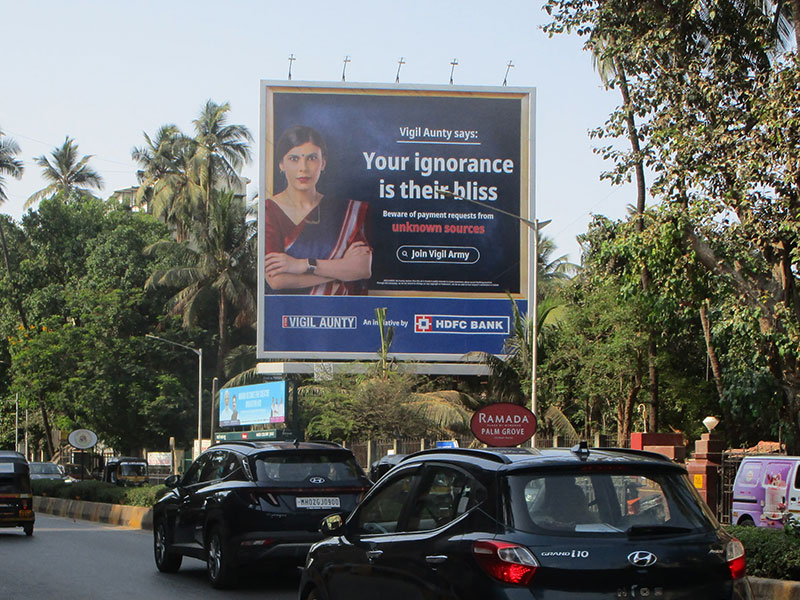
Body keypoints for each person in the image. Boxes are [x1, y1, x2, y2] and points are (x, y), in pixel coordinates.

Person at [264, 125, 372, 295]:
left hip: (339, 309)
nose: (303, 168)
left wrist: (303, 265)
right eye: (294, 159)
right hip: (289, 310)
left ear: (323, 163)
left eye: (312, 158)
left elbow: (362, 269)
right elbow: (276, 280)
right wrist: (341, 271)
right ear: (281, 164)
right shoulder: (270, 210)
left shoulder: (345, 212)